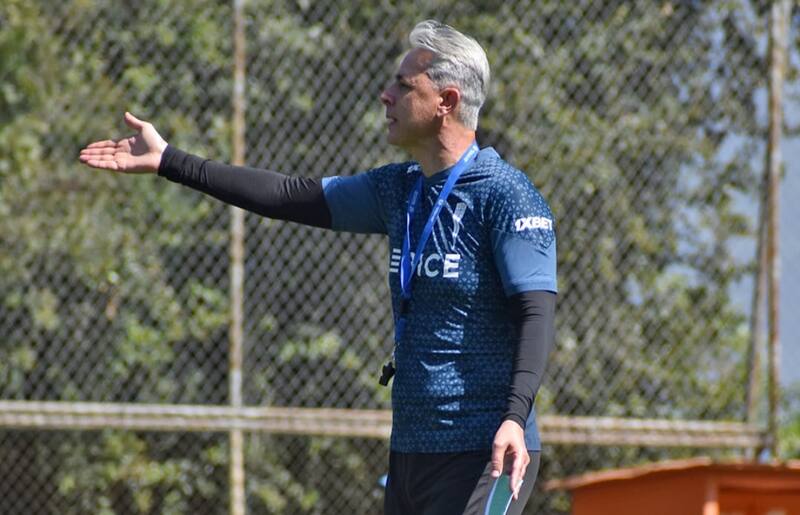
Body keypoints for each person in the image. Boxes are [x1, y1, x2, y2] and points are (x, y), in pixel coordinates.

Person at [79, 20, 557, 515]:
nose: (385, 95)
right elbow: (288, 195)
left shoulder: (505, 195)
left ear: (447, 102)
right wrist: (168, 161)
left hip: (487, 452)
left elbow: (536, 314)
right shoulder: (399, 190)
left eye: (403, 85)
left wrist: (513, 418)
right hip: (412, 449)